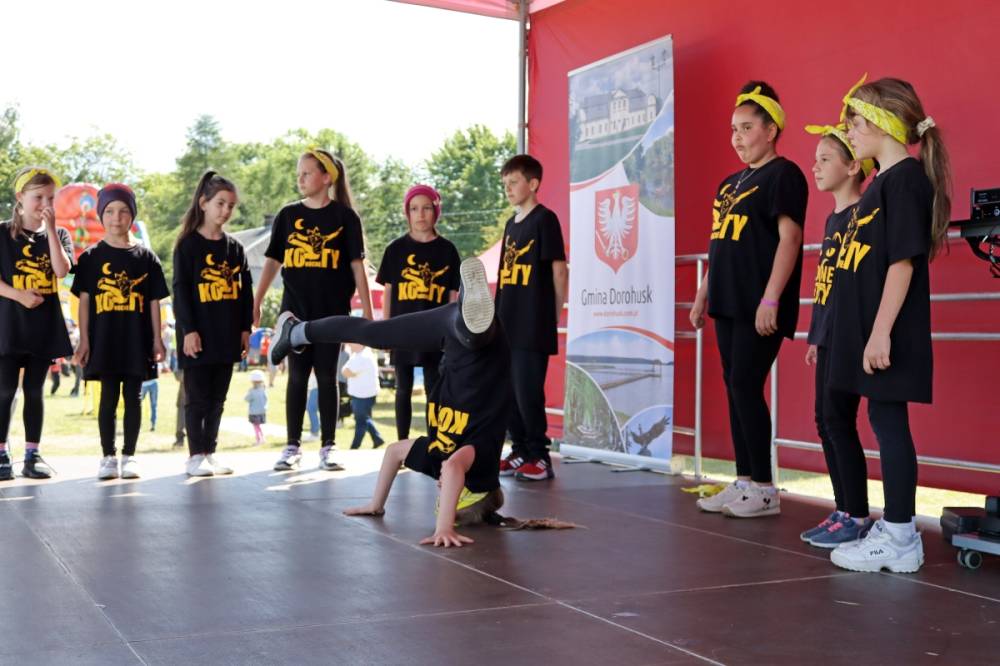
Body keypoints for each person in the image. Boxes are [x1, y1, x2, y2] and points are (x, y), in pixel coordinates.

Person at [270, 257, 510, 546]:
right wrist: (443, 527)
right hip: (486, 349)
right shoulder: (478, 466)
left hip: (452, 330)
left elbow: (395, 452)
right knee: (476, 337)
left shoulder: (436, 457)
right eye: (447, 496)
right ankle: (475, 316)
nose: (441, 488)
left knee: (374, 335)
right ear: (467, 492)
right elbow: (454, 469)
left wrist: (376, 504)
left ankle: (296, 331)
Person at [826, 75, 950, 573]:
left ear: (882, 123)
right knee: (882, 419)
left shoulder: (904, 181)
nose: (848, 133)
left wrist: (880, 333)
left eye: (855, 123)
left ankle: (900, 536)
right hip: (873, 330)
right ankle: (896, 528)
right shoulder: (883, 181)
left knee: (889, 423)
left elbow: (902, 263)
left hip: (890, 332)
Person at [689, 81, 808, 518]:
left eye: (746, 128)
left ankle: (764, 488)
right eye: (733, 129)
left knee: (745, 385)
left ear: (771, 130)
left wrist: (771, 299)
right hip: (726, 300)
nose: (737, 138)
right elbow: (718, 243)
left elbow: (790, 238)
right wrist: (702, 294)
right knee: (735, 387)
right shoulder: (729, 184)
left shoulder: (784, 175)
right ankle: (743, 481)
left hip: (759, 304)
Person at [253, 148, 372, 472]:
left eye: (306, 173)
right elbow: (273, 261)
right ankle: (292, 446)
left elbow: (357, 267)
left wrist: (367, 315)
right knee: (297, 376)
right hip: (295, 314)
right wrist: (257, 300)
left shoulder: (345, 218)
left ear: (326, 177)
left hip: (332, 313)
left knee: (327, 376)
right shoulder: (288, 215)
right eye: (299, 174)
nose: (300, 179)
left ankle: (328, 446)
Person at [798, 121, 875, 548]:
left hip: (851, 337)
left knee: (838, 419)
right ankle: (843, 508)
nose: (816, 167)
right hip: (828, 336)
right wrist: (816, 334)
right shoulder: (833, 218)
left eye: (825, 159)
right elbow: (826, 284)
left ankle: (858, 514)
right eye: (816, 159)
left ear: (852, 166)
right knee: (824, 420)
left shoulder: (865, 215)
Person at [73, 183, 168, 481]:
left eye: (124, 211)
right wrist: (84, 340)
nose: (117, 218)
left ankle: (129, 456)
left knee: (134, 396)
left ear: (133, 215)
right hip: (104, 340)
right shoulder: (90, 258)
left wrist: (157, 339)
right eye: (110, 211)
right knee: (108, 398)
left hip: (136, 340)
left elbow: (154, 302)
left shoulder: (147, 258)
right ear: (101, 215)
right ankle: (108, 457)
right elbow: (84, 302)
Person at [172, 171, 252, 477]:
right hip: (198, 335)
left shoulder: (235, 248)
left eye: (231, 205)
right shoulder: (187, 245)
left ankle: (210, 452)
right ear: (203, 203)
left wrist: (245, 329)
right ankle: (195, 455)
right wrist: (189, 330)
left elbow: (245, 293)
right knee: (197, 398)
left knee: (218, 399)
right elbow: (181, 291)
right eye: (220, 203)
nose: (226, 210)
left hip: (227, 335)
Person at [495, 155, 568, 482]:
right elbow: (504, 275)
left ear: (533, 183)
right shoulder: (511, 224)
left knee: (528, 392)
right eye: (505, 184)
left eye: (514, 182)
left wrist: (552, 315)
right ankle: (520, 449)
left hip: (532, 323)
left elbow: (559, 271)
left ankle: (540, 456)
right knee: (508, 392)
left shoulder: (545, 220)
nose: (508, 189)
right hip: (506, 325)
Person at [0, 167, 73, 480]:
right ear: (20, 197)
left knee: (34, 389)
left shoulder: (59, 234)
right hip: (9, 325)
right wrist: (18, 295)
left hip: (43, 326)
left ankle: (33, 454)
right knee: (5, 390)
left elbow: (61, 271)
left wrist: (52, 230)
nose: (45, 203)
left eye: (51, 198)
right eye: (38, 197)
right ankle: (1, 454)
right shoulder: (3, 233)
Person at [376, 184, 460, 439]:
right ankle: (401, 444)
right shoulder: (395, 250)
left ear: (436, 212)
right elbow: (388, 292)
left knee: (434, 389)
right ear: (407, 213)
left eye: (426, 208)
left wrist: (452, 333)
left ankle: (434, 442)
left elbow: (453, 296)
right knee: (403, 388)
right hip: (402, 329)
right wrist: (386, 329)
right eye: (414, 209)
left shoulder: (447, 251)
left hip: (435, 332)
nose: (420, 215)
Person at [342, 343, 385, 449]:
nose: (349, 345)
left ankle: (354, 447)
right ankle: (377, 439)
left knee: (361, 421)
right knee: (364, 418)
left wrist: (347, 371)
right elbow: (346, 371)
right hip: (361, 394)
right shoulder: (358, 355)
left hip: (363, 395)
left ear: (359, 344)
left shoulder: (363, 357)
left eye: (352, 343)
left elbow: (346, 372)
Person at [246, 369, 268, 446]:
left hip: (254, 412)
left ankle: (259, 440)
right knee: (258, 426)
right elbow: (266, 399)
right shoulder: (263, 390)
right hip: (262, 411)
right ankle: (263, 438)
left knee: (256, 426)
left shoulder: (252, 391)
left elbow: (246, 399)